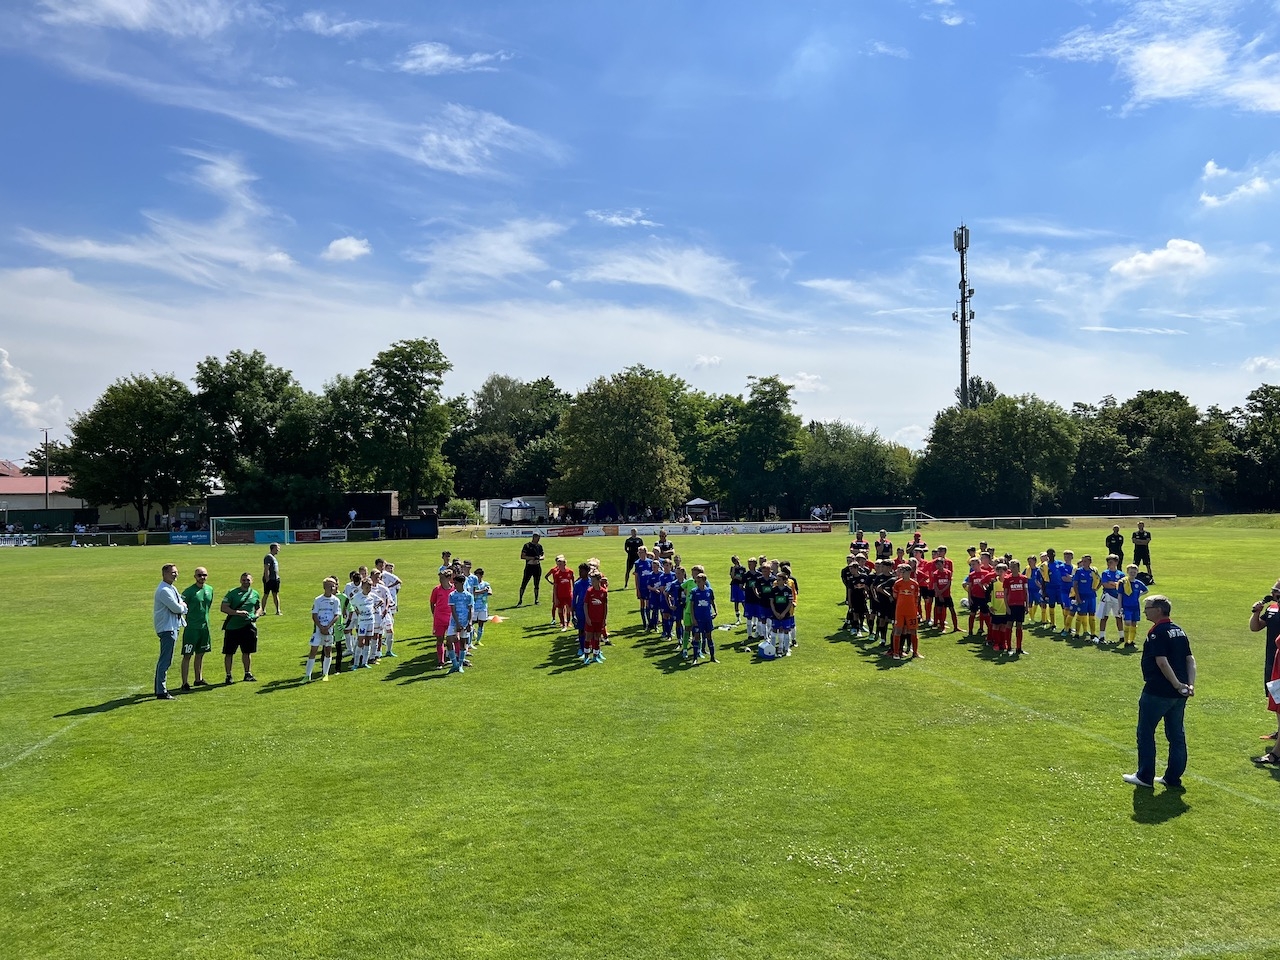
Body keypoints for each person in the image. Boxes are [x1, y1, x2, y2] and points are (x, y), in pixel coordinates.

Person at [1124, 595, 1194, 789]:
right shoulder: (1178, 630)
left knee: (1146, 733)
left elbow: (1161, 662)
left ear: (1158, 610)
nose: (1145, 611)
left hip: (1158, 692)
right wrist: (1189, 685)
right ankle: (1172, 778)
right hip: (1179, 694)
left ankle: (1144, 776)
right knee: (1176, 735)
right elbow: (1190, 659)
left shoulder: (1157, 632)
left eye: (1147, 608)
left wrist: (1176, 684)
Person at [1250, 580, 1280, 744]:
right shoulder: (1272, 609)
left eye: (1276, 591)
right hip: (1272, 660)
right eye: (1273, 590)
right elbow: (1255, 627)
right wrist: (1256, 612)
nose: (1273, 594)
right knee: (1276, 696)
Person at [153, 562, 188, 700]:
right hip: (167, 628)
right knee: (165, 660)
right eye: (173, 572)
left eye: (176, 572)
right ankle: (161, 691)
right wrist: (183, 607)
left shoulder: (171, 588)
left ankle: (159, 688)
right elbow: (177, 608)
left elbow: (180, 603)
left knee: (166, 659)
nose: (175, 574)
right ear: (164, 574)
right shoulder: (164, 590)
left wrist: (181, 606)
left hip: (172, 627)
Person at [220, 572, 262, 684]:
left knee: (247, 652)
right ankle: (228, 675)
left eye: (248, 580)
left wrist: (256, 615)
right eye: (243, 580)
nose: (246, 582)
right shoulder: (232, 593)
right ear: (240, 581)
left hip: (248, 627)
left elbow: (259, 607)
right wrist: (237, 613)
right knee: (229, 653)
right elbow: (223, 608)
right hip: (232, 627)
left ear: (252, 581)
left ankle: (247, 673)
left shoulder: (255, 593)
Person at [179, 567, 213, 691]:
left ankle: (198, 679)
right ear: (195, 576)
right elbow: (179, 606)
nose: (202, 577)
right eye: (199, 575)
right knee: (187, 655)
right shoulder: (189, 592)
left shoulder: (210, 589)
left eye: (204, 575)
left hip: (204, 628)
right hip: (192, 629)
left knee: (200, 654)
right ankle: (184, 682)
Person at [305, 577, 343, 682]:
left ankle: (325, 674)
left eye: (334, 586)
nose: (333, 588)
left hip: (329, 630)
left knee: (327, 650)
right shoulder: (318, 600)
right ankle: (307, 675)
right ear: (325, 587)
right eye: (331, 586)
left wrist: (328, 627)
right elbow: (314, 615)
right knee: (313, 650)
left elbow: (336, 615)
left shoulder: (336, 600)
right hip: (318, 630)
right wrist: (321, 627)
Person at [518, 533, 544, 605]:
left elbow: (543, 556)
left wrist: (539, 558)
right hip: (529, 567)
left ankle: (536, 600)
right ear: (534, 537)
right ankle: (520, 600)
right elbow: (522, 556)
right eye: (537, 538)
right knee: (524, 583)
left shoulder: (539, 546)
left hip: (537, 567)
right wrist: (533, 558)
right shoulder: (527, 546)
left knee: (537, 584)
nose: (538, 540)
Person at [262, 542, 282, 615]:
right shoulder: (268, 557)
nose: (278, 550)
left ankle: (278, 610)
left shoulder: (273, 557)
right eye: (277, 548)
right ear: (273, 548)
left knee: (275, 594)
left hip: (275, 579)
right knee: (266, 594)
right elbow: (266, 568)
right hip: (270, 579)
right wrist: (267, 579)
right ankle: (263, 610)